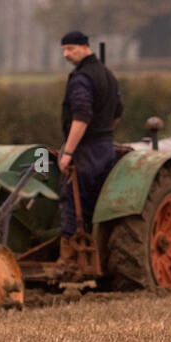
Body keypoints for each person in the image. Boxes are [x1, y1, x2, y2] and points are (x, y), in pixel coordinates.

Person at [56, 30, 123, 270]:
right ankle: (99, 256)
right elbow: (117, 112)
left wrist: (68, 153)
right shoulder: (107, 75)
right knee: (98, 201)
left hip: (86, 149)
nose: (66, 54)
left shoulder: (82, 79)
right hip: (105, 146)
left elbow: (81, 117)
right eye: (64, 49)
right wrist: (103, 130)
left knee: (73, 200)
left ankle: (70, 258)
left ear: (85, 47)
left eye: (70, 49)